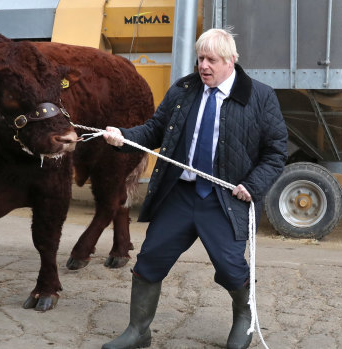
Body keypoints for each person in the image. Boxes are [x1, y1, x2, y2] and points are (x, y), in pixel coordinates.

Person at [101, 28, 288, 349]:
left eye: (211, 60)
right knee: (150, 260)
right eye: (200, 58)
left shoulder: (259, 96)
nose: (203, 66)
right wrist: (123, 137)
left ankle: (245, 319)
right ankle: (138, 330)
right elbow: (154, 130)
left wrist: (252, 185)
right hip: (180, 195)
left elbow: (276, 152)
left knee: (231, 269)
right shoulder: (184, 90)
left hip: (224, 199)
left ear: (230, 62)